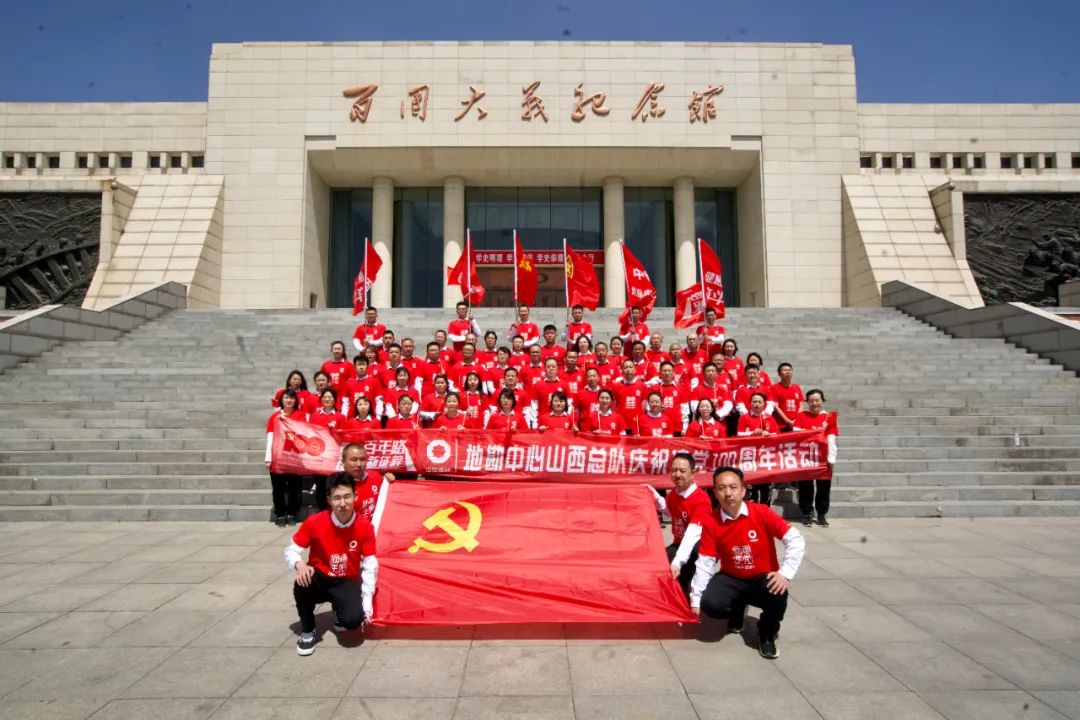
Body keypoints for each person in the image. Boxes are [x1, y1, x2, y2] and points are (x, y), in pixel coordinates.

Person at [689, 466, 806, 659]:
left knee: (778, 593)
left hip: (762, 577)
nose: (728, 493)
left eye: (733, 487)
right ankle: (737, 610)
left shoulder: (761, 512)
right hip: (731, 576)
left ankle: (766, 635)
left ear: (743, 490)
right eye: (721, 488)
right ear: (715, 493)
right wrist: (695, 599)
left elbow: (795, 539)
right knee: (710, 604)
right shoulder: (711, 521)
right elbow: (705, 562)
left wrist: (785, 573)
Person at [285, 472, 378, 656]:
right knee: (302, 583)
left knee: (352, 621)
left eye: (347, 496)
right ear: (329, 500)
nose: (343, 503)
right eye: (337, 498)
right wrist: (299, 565)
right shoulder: (315, 522)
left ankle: (338, 609)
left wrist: (367, 604)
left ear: (355, 496)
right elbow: (290, 550)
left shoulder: (365, 526)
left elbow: (370, 564)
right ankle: (308, 631)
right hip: (319, 577)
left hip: (346, 580)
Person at [649, 452, 712, 591]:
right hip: (679, 544)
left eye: (682, 471)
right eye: (674, 470)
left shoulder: (701, 499)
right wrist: (653, 495)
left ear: (692, 473)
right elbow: (669, 511)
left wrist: (677, 562)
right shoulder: (674, 494)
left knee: (687, 584)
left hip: (698, 549)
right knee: (659, 564)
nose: (677, 474)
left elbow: (692, 535)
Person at [793, 389, 839, 527]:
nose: (814, 403)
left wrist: (831, 457)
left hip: (823, 458)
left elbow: (831, 438)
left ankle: (821, 515)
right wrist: (812, 432)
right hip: (806, 457)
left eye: (817, 400)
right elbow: (796, 433)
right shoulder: (801, 416)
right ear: (807, 402)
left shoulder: (829, 417)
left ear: (822, 401)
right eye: (811, 401)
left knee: (823, 487)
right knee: (805, 487)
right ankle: (807, 514)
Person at [266, 388, 304, 526]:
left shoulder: (300, 415)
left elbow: (303, 434)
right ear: (282, 400)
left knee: (294, 487)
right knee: (278, 488)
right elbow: (270, 438)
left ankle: (292, 513)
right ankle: (280, 514)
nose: (289, 400)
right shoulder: (274, 417)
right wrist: (268, 458)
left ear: (295, 401)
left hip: (294, 457)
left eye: (292, 398)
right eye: (286, 398)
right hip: (278, 457)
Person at [738, 392, 779, 506]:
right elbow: (739, 435)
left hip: (766, 459)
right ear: (750, 403)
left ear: (764, 404)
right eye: (754, 401)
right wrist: (753, 433)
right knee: (752, 492)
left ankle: (765, 512)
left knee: (766, 491)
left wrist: (768, 434)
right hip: (750, 458)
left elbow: (777, 435)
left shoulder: (769, 418)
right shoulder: (744, 417)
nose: (757, 404)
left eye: (759, 402)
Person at [771, 362, 804, 430]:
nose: (788, 372)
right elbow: (776, 407)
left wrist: (796, 420)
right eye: (785, 370)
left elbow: (801, 406)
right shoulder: (774, 388)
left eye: (789, 370)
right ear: (779, 374)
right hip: (780, 425)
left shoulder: (797, 387)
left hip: (796, 424)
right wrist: (788, 421)